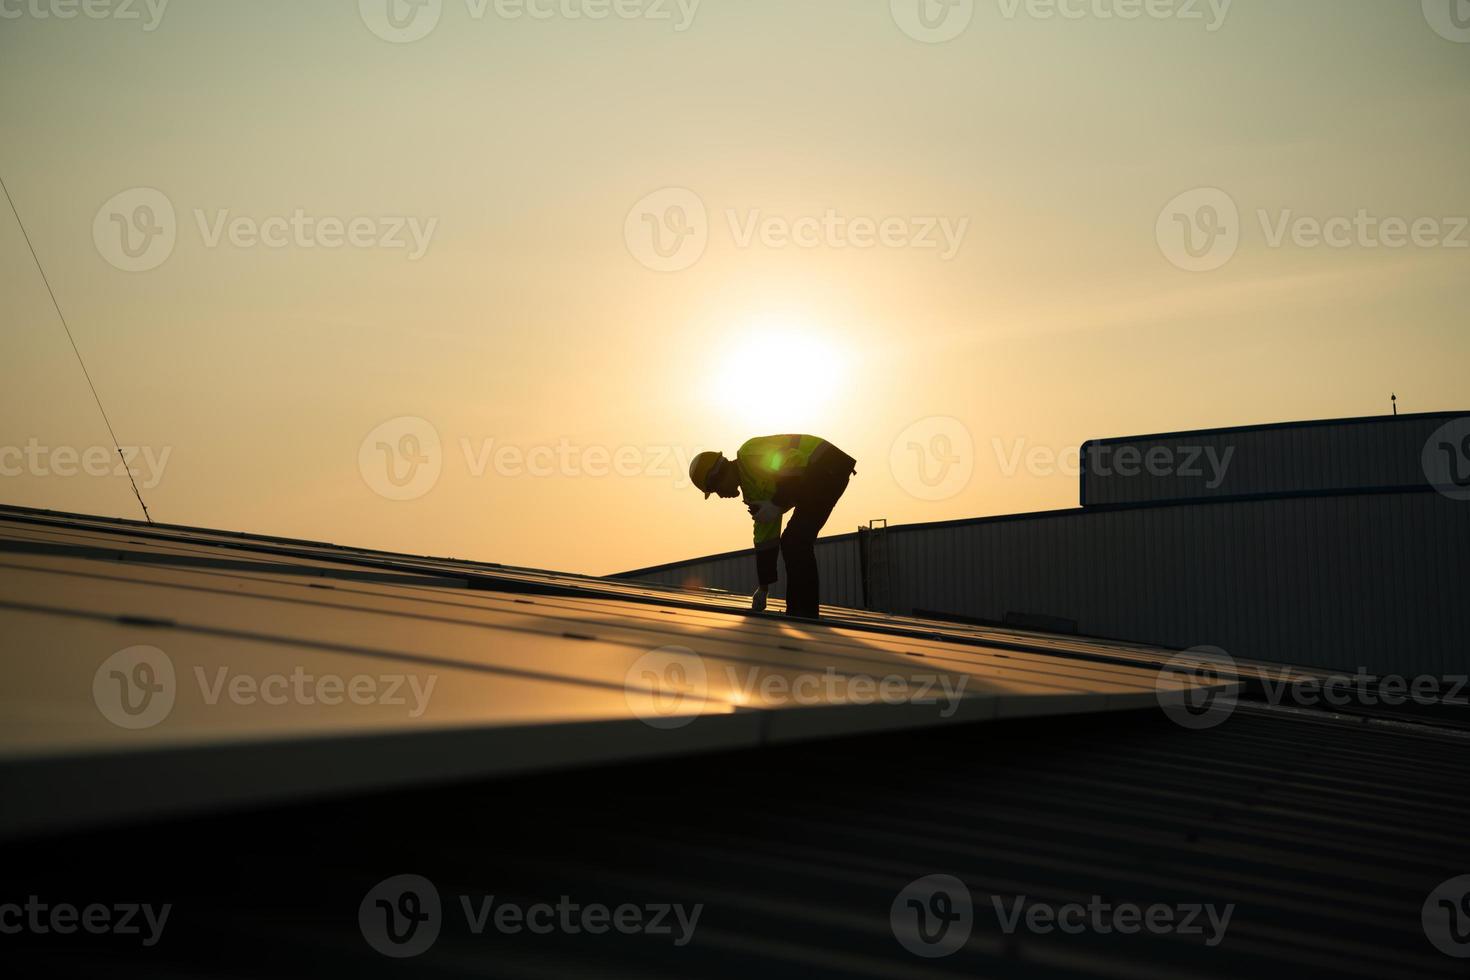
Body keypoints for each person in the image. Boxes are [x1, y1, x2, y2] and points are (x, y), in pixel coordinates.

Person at [688, 435, 856, 618]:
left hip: (826, 464)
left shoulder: (750, 454)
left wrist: (777, 504)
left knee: (795, 541)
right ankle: (801, 612)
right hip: (822, 474)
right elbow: (765, 536)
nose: (720, 495)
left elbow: (793, 462)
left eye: (716, 490)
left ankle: (803, 613)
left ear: (718, 475)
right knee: (795, 541)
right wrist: (763, 588)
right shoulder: (752, 492)